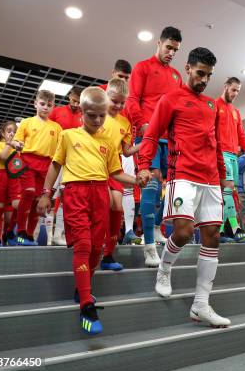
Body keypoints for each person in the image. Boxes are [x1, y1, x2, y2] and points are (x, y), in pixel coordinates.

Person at [137, 47, 231, 328]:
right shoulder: (171, 99)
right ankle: (164, 269)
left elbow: (215, 144)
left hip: (211, 179)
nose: (204, 80)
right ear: (188, 68)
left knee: (212, 236)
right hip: (183, 176)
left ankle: (200, 305)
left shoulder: (212, 106)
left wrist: (224, 176)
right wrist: (144, 164)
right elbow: (152, 134)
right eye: (200, 73)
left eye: (209, 75)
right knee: (184, 231)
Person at [37, 87, 138, 335]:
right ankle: (86, 305)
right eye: (91, 115)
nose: (97, 120)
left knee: (96, 248)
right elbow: (55, 166)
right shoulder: (68, 136)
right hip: (75, 194)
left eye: (101, 116)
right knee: (83, 245)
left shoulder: (107, 141)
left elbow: (116, 172)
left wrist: (138, 180)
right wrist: (46, 194)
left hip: (99, 195)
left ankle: (83, 287)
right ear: (81, 112)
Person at [127, 26, 183, 267]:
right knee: (151, 182)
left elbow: (178, 110)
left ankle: (158, 227)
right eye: (168, 47)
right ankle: (149, 245)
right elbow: (132, 100)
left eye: (175, 49)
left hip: (169, 141)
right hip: (149, 136)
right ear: (159, 43)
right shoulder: (142, 67)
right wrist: (142, 124)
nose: (171, 52)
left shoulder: (177, 76)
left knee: (169, 188)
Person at [9, 90, 62, 246]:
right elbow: (16, 141)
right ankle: (20, 232)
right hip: (27, 162)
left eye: (49, 105)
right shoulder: (26, 122)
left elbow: (60, 148)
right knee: (29, 192)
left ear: (53, 107)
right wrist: (16, 144)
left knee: (38, 201)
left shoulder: (57, 127)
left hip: (46, 166)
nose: (45, 107)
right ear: (35, 104)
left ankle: (30, 235)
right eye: (42, 104)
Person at [99, 78, 140, 270]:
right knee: (102, 206)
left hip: (114, 167)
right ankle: (93, 249)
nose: (118, 105)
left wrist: (145, 143)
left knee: (117, 208)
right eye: (114, 101)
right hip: (94, 166)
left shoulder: (124, 121)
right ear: (106, 95)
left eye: (122, 102)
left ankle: (108, 256)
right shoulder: (96, 114)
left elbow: (126, 151)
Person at [215, 77, 245, 242]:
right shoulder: (214, 105)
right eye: (233, 89)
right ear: (225, 87)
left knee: (225, 192)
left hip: (233, 155)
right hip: (220, 153)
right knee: (229, 188)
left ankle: (220, 230)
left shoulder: (236, 112)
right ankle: (234, 227)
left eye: (238, 91)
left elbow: (242, 136)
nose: (235, 93)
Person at [49, 86, 84, 246]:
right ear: (69, 96)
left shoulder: (83, 116)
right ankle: (44, 236)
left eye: (79, 102)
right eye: (74, 100)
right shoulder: (56, 112)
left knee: (65, 198)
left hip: (73, 161)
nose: (76, 104)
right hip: (55, 159)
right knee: (48, 195)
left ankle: (58, 234)